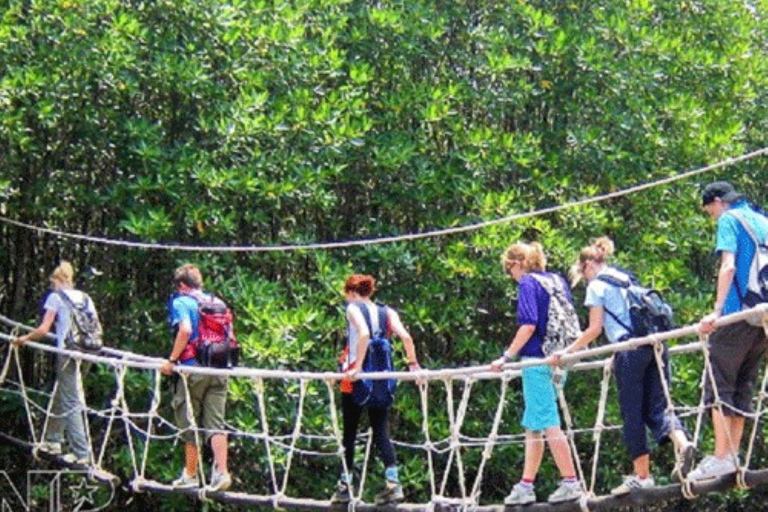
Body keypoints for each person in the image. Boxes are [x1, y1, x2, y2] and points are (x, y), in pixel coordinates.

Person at [552, 237, 694, 494]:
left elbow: (594, 329)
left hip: (629, 352)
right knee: (659, 406)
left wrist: (567, 351)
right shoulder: (625, 278)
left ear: (587, 266)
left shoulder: (596, 286)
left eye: (582, 274)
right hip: (655, 346)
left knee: (632, 414)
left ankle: (642, 475)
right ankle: (683, 445)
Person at [490, 242, 583, 506]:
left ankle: (570, 481)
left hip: (536, 361)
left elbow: (528, 325)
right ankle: (526, 484)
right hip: (559, 358)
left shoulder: (528, 283)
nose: (512, 276)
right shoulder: (556, 280)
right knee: (535, 425)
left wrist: (506, 357)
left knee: (549, 422)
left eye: (510, 270)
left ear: (517, 264)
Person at [688, 181, 768, 481]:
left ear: (718, 202)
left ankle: (722, 456)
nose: (712, 217)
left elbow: (729, 266)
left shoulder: (730, 220)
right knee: (743, 385)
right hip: (762, 320)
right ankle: (734, 454)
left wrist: (717, 312)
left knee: (718, 382)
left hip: (736, 315)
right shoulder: (763, 220)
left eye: (710, 211)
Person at [332, 274, 421, 505]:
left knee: (349, 430)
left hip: (354, 376)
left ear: (351, 292)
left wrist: (358, 367)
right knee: (381, 428)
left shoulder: (353, 308)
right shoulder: (387, 312)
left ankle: (345, 483)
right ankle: (393, 482)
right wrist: (413, 365)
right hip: (381, 378)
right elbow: (406, 337)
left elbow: (363, 334)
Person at [13, 261, 99, 465]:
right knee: (64, 392)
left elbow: (43, 329)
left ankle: (82, 453)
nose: (52, 286)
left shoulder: (56, 297)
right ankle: (53, 439)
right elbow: (96, 326)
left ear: (58, 280)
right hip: (88, 351)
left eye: (53, 282)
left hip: (67, 353)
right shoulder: (85, 297)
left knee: (71, 400)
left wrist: (24, 339)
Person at [162, 264, 232, 491]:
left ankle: (191, 474)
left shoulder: (182, 301)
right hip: (219, 370)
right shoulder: (217, 303)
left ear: (182, 285)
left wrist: (171, 360)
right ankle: (221, 472)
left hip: (192, 370)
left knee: (188, 420)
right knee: (215, 424)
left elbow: (184, 329)